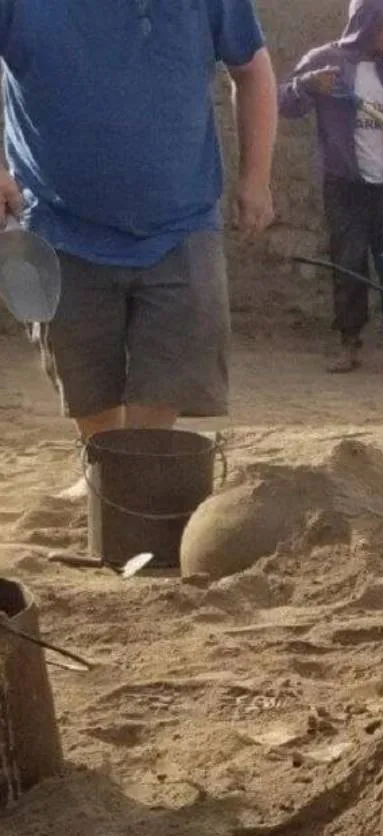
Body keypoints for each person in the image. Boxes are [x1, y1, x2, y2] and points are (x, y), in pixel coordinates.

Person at [0, 0, 277, 496]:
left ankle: (135, 465)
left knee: (173, 364)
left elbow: (252, 70)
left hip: (181, 219)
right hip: (60, 220)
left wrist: (257, 179)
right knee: (81, 369)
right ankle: (106, 466)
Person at [280, 0, 383, 377]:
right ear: (365, 23)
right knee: (349, 263)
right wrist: (307, 84)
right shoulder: (327, 60)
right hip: (345, 184)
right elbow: (284, 100)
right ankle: (348, 343)